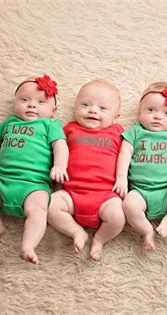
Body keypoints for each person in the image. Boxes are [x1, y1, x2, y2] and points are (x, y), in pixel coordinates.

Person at [0, 75, 68, 265]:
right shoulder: (10, 122)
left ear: (53, 111)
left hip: (34, 186)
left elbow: (60, 145)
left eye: (41, 102)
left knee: (39, 211)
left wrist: (60, 166)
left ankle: (28, 246)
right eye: (24, 100)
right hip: (4, 181)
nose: (31, 105)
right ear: (15, 103)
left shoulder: (50, 124)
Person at [47, 79, 125, 260]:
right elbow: (54, 149)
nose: (93, 110)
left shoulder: (118, 132)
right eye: (85, 105)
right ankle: (76, 232)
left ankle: (99, 239)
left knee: (118, 216)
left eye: (102, 109)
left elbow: (128, 157)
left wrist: (123, 179)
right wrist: (56, 168)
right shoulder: (69, 129)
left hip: (106, 196)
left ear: (116, 117)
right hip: (71, 194)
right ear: (75, 108)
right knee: (50, 205)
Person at [114, 82, 167, 251]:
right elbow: (125, 153)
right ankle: (146, 230)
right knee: (129, 205)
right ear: (139, 112)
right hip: (140, 191)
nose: (158, 116)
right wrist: (121, 179)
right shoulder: (135, 131)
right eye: (151, 110)